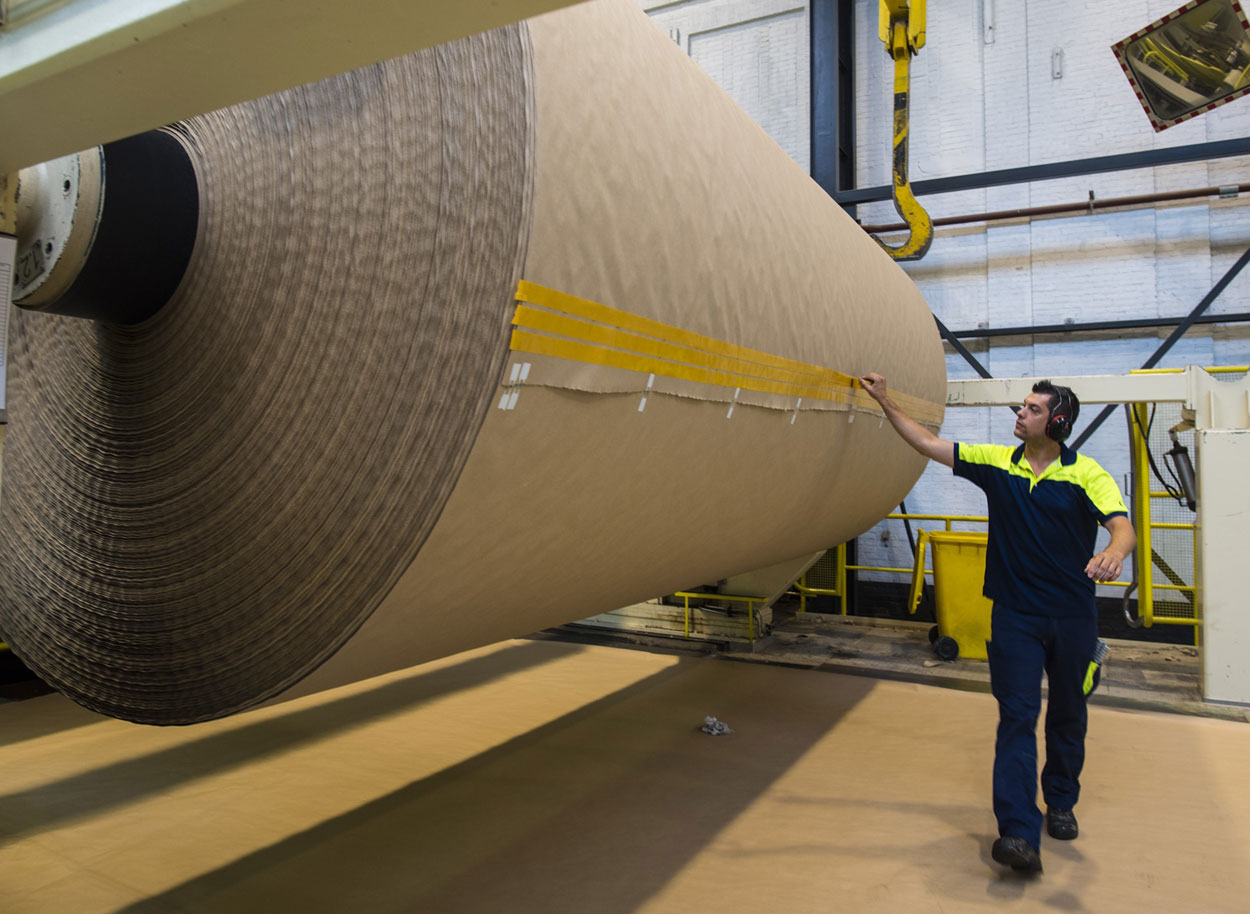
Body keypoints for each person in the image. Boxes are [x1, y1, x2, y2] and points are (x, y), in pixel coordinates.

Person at [859, 372, 1135, 875]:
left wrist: (1115, 553)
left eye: (1030, 409)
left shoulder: (1086, 473)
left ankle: (1062, 801)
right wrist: (884, 400)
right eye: (1021, 408)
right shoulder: (994, 463)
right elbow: (926, 442)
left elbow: (1122, 526)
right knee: (1017, 717)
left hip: (1074, 617)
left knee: (1068, 715)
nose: (1019, 415)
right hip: (1015, 615)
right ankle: (1017, 833)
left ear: (1056, 421)